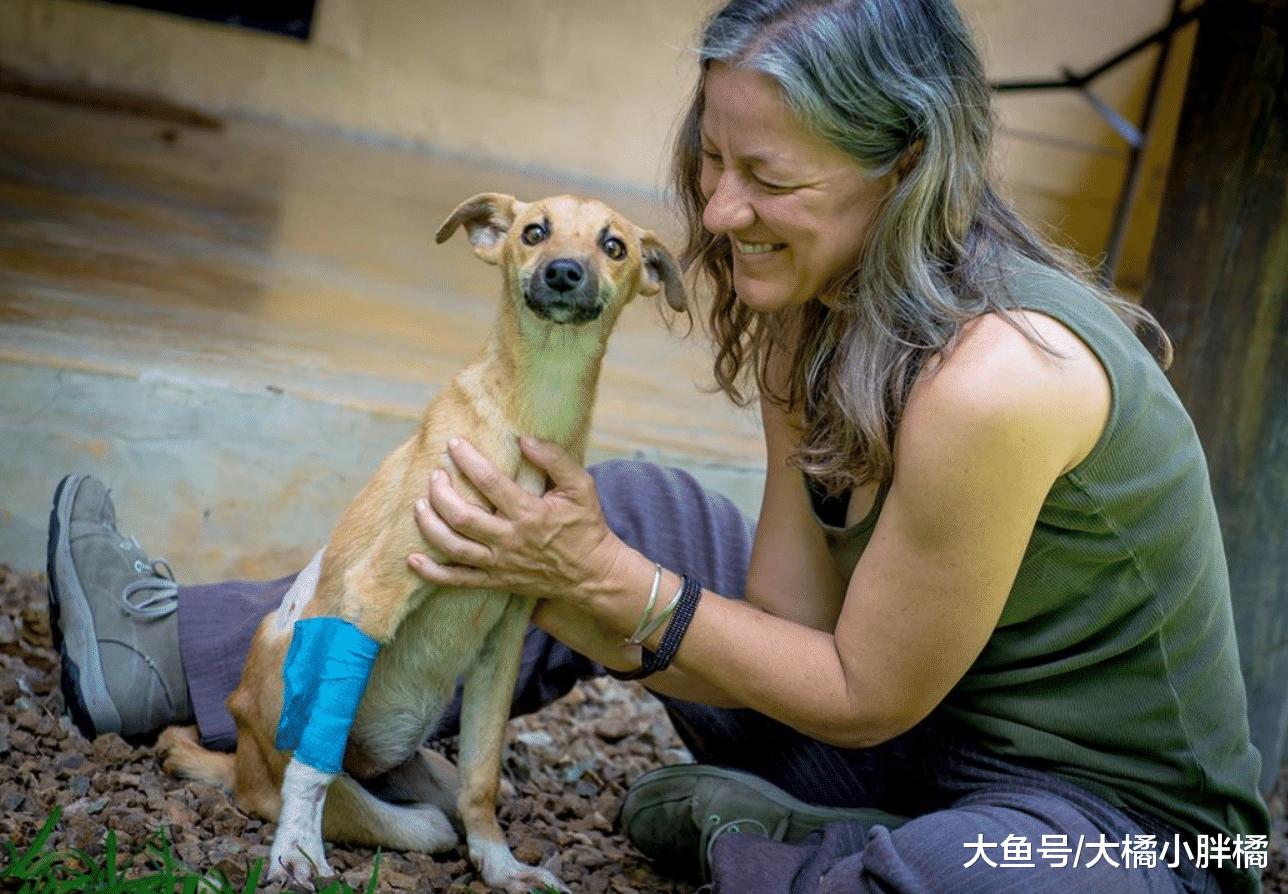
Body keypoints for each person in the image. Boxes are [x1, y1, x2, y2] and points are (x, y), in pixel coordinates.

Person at [45, 1, 1269, 892]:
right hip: (898, 741)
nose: (722, 211)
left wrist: (612, 592)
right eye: (711, 162)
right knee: (576, 502)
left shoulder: (1001, 378)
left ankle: (793, 848)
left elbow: (860, 690)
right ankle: (173, 654)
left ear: (904, 168)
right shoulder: (818, 320)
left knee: (989, 880)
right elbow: (785, 628)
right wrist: (573, 567)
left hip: (1106, 821)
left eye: (767, 178)